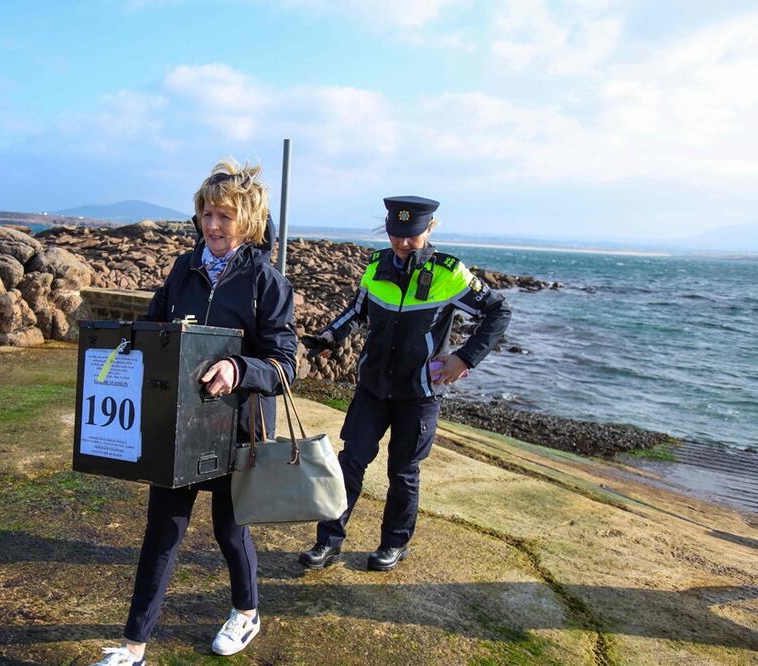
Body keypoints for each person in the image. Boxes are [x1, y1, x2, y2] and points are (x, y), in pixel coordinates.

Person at [93, 160, 297, 666]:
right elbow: (152, 327)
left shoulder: (266, 282)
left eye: (225, 216)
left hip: (237, 427)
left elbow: (284, 365)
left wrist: (236, 366)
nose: (212, 225)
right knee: (162, 529)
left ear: (247, 220)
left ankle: (246, 612)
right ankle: (134, 646)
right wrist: (123, 344)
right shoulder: (183, 269)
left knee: (231, 531)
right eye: (207, 213)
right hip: (178, 426)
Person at [298, 196, 510, 572]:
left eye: (411, 235)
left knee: (403, 470)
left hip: (420, 393)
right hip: (373, 387)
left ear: (429, 229)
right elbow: (356, 310)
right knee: (350, 462)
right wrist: (328, 337)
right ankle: (327, 542)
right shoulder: (376, 265)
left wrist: (464, 358)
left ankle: (394, 544)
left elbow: (497, 311)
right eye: (396, 233)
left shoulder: (450, 272)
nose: (402, 242)